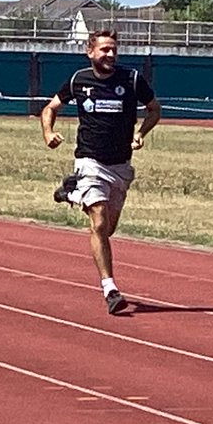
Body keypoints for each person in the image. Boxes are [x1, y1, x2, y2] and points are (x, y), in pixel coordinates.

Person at [40, 29, 162, 314]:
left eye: (113, 50)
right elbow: (50, 108)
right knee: (98, 222)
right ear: (90, 52)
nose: (110, 54)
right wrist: (48, 132)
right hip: (89, 160)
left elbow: (155, 109)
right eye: (104, 49)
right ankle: (110, 288)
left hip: (120, 165)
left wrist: (142, 132)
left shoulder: (131, 79)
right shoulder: (78, 80)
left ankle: (71, 195)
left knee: (108, 229)